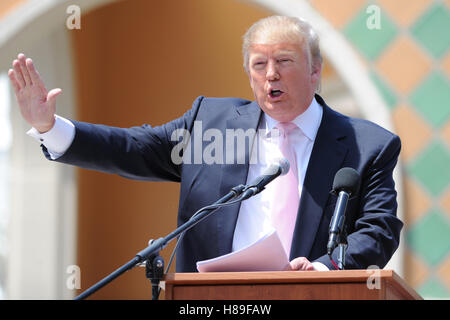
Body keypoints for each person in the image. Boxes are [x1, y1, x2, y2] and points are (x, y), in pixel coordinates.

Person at [8, 16, 403, 273]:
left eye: (284, 61)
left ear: (315, 70)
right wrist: (50, 126)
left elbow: (378, 231)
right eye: (259, 65)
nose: (271, 76)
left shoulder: (366, 145)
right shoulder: (209, 124)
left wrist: (321, 270)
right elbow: (135, 147)